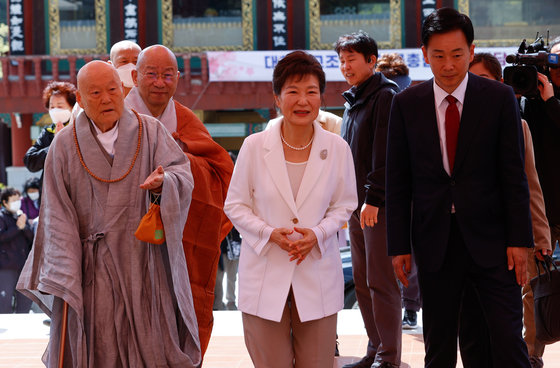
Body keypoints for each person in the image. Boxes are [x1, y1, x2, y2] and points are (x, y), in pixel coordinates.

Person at [17, 60, 200, 367]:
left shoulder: (151, 131)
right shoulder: (63, 145)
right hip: (91, 272)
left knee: (150, 348)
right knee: (96, 349)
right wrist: (66, 273)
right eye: (95, 93)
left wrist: (163, 184)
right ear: (82, 100)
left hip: (143, 264)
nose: (106, 99)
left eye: (112, 90)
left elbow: (182, 175)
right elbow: (55, 215)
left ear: (122, 90)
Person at [387, 8, 533, 368]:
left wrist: (520, 240)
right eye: (438, 55)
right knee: (439, 346)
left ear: (471, 50)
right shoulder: (406, 105)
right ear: (424, 54)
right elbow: (398, 179)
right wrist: (398, 246)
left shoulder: (498, 98)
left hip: (495, 243)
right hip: (435, 242)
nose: (448, 65)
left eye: (456, 54)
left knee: (507, 340)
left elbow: (513, 175)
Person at [224, 50, 357, 368]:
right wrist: (270, 234)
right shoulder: (255, 146)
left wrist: (318, 233)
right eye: (293, 92)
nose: (303, 100)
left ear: (321, 98)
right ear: (277, 98)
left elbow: (345, 204)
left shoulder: (336, 147)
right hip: (265, 273)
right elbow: (236, 204)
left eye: (311, 92)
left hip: (317, 273)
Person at [125, 44, 234, 357]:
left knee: (178, 313)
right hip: (127, 238)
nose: (160, 82)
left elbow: (220, 170)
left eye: (168, 75)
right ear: (135, 76)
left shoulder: (184, 119)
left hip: (180, 240)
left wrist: (176, 165)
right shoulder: (117, 116)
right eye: (152, 74)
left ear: (177, 79)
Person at [457, 53, 552, 368]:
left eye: (483, 81)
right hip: (461, 246)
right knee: (471, 335)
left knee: (507, 334)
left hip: (506, 249)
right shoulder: (448, 123)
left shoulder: (517, 125)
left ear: (499, 84)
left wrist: (540, 237)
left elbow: (530, 187)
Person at [335, 30, 401, 368]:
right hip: (356, 207)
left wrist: (373, 198)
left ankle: (389, 356)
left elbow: (385, 155)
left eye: (352, 60)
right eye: (341, 60)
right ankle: (375, 349)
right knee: (362, 282)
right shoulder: (353, 100)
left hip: (379, 207)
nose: (345, 66)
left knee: (381, 282)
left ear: (371, 60)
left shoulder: (385, 96)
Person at [375, 52, 421, 330]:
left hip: (398, 190)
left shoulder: (385, 99)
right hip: (396, 190)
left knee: (398, 251)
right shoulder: (411, 99)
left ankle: (407, 310)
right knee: (408, 252)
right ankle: (409, 309)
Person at [23, 81, 77, 184]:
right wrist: (55, 144)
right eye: (52, 107)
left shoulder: (80, 130)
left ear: (72, 107)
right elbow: (30, 162)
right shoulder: (47, 132)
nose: (55, 110)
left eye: (60, 106)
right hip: (50, 190)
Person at [0, 187, 33, 314]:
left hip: (22, 265)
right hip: (6, 266)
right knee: (5, 302)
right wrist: (17, 228)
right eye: (13, 200)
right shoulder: (2, 217)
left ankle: (22, 330)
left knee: (25, 302)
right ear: (5, 203)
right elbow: (2, 236)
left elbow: (31, 237)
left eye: (18, 200)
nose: (17, 203)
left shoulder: (20, 216)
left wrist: (24, 227)